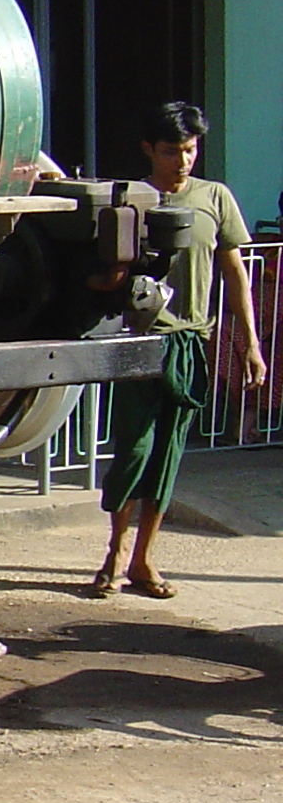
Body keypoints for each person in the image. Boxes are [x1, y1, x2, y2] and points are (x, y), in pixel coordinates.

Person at [89, 101, 268, 599]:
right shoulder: (131, 201)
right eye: (172, 151)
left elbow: (235, 273)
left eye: (190, 150)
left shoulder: (216, 198)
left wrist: (249, 344)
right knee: (135, 451)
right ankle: (115, 554)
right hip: (139, 343)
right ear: (150, 150)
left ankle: (145, 560)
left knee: (167, 455)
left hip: (190, 342)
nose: (183, 160)